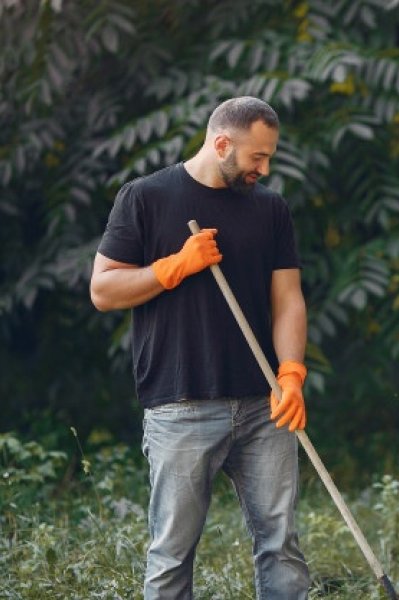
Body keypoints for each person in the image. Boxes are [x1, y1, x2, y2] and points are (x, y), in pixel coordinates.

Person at [90, 96, 311, 599]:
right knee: (172, 554)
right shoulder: (146, 197)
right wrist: (174, 267)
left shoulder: (270, 208)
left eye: (270, 156)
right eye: (257, 157)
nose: (265, 167)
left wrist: (292, 372)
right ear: (221, 143)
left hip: (264, 406)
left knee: (282, 545)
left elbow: (289, 300)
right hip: (180, 403)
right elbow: (103, 290)